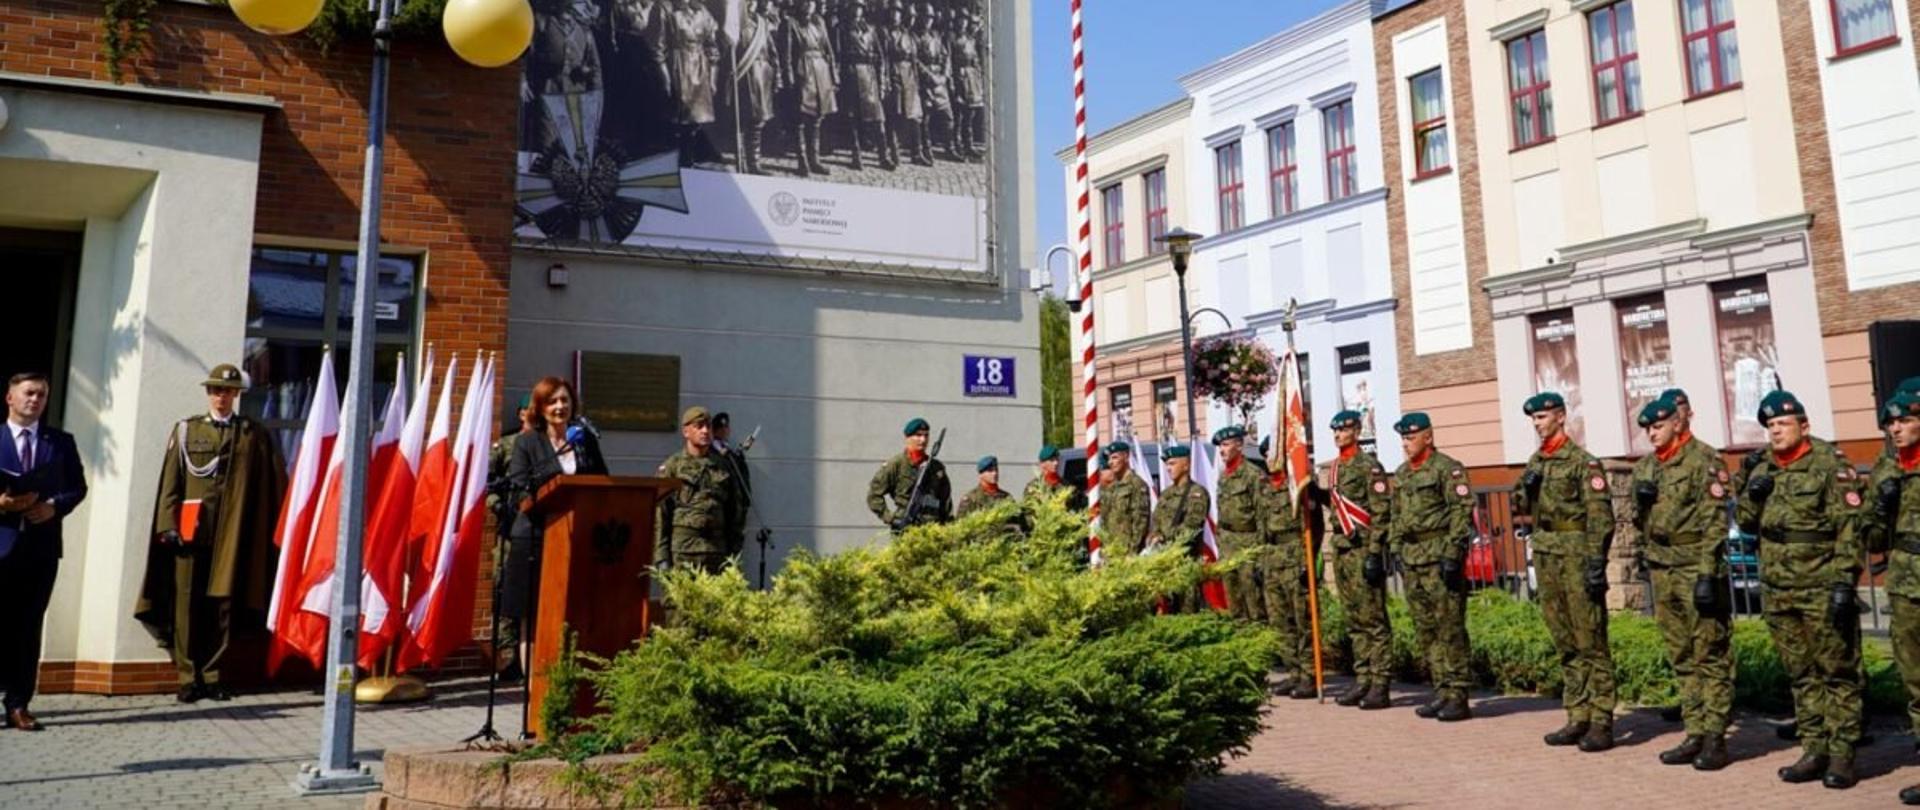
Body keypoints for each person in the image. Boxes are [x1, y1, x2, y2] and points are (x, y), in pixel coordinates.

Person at [1735, 390, 1866, 789]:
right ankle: (1814, 749)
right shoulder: (1762, 469)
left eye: (1783, 424)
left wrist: (1845, 581)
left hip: (1821, 584)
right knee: (1802, 674)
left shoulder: (1830, 463)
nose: (1775, 431)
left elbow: (1850, 528)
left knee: (1837, 672)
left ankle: (1843, 755)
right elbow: (1744, 523)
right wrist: (1752, 499)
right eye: (1770, 426)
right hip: (1778, 588)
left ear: (1803, 426)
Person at [136, 364, 287, 703]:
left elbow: (266, 485)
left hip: (232, 535)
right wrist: (167, 526)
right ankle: (188, 677)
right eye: (217, 390)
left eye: (229, 391)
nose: (222, 396)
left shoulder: (252, 434)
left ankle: (214, 674)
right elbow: (171, 484)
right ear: (209, 394)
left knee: (222, 606)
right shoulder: (188, 431)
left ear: (237, 395)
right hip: (192, 534)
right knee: (186, 605)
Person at [1630, 396, 1733, 770]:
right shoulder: (1645, 467)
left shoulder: (1703, 459)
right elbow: (1638, 521)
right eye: (1647, 429)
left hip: (1694, 566)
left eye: (1657, 426)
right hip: (1663, 567)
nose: (1651, 434)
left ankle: (1716, 737)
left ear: (1677, 422)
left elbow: (1715, 521)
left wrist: (1708, 572)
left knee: (1710, 652)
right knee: (1682, 655)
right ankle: (1695, 731)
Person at [1512, 392, 1617, 752]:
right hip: (1547, 553)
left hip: (1575, 554)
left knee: (1591, 641)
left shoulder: (1582, 463)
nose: (1538, 424)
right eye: (1534, 419)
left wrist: (1594, 562)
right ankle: (1578, 714)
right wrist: (1525, 487)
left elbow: (1601, 517)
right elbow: (1519, 505)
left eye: (1543, 417)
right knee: (1565, 642)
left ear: (1560, 417)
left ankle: (1602, 719)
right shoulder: (1536, 462)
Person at [0, 373, 86, 731]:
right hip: (1, 544)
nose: (35, 400)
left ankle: (19, 703)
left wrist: (53, 506)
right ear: (10, 397)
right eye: (28, 393)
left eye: (42, 395)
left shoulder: (60, 442)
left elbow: (77, 487)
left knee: (28, 625)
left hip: (40, 549)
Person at [503, 377, 609, 664]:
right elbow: (520, 491)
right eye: (553, 401)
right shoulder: (527, 443)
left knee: (573, 612)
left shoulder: (584, 441)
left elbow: (602, 481)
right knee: (534, 617)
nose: (560, 406)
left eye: (565, 400)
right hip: (535, 539)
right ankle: (532, 690)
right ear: (541, 407)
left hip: (578, 537)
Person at [1388, 412, 1474, 722]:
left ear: (1429, 437)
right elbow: (1395, 516)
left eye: (1411, 437)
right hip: (1413, 558)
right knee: (1426, 629)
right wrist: (1396, 548)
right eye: (1403, 438)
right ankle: (1442, 690)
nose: (1406, 443)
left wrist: (1454, 552)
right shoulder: (1401, 474)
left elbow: (1462, 512)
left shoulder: (1447, 469)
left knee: (1449, 626)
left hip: (1439, 556)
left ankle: (1459, 695)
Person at [1311, 409, 1393, 710]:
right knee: (1354, 620)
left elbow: (1380, 512)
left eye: (1343, 430)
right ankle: (1362, 680)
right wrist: (1314, 493)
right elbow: (1335, 503)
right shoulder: (1335, 468)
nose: (1337, 435)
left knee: (1373, 621)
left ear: (1357, 432)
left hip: (1362, 549)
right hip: (1343, 550)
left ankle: (1380, 684)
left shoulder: (1368, 466)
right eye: (1335, 430)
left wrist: (1374, 553)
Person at [1868, 392, 1920, 804]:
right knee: (1915, 681)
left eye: (1902, 421)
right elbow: (1872, 537)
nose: (1895, 429)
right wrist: (1881, 509)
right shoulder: (1887, 467)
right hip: (1904, 583)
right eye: (1890, 424)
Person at [655, 406, 738, 575]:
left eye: (708, 426)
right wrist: (661, 556)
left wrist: (733, 552)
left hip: (716, 552)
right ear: (686, 432)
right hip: (684, 551)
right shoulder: (673, 466)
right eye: (699, 426)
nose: (705, 431)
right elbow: (660, 513)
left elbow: (734, 511)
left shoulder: (723, 466)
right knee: (680, 601)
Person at [1262, 438, 1314, 699]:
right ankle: (1293, 672)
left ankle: (1308, 674)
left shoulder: (1300, 483)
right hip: (1273, 556)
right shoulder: (1266, 487)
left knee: (1301, 618)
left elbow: (1313, 526)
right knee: (1280, 620)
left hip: (1295, 554)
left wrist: (1309, 559)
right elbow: (1263, 527)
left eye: (1273, 453)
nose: (1269, 459)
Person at [487, 395, 533, 682]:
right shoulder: (505, 446)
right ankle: (507, 659)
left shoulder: (547, 447)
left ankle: (528, 655)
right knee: (504, 592)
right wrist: (497, 505)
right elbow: (487, 481)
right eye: (530, 410)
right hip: (509, 530)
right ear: (521, 413)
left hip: (534, 530)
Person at [1213, 426, 1267, 623]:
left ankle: (1260, 644)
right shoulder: (1223, 477)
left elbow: (1262, 516)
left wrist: (1260, 555)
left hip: (1248, 542)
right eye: (1220, 446)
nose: (1221, 450)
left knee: (1253, 601)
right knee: (1233, 601)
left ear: (1239, 446)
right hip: (1228, 544)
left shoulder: (1253, 475)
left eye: (1226, 444)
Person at [1149, 444, 1210, 610]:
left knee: (1188, 611)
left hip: (1186, 562)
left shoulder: (1197, 493)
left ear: (1186, 465)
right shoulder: (1166, 494)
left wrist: (1165, 537)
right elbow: (1156, 520)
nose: (1168, 468)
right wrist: (1155, 535)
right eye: (1167, 464)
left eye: (1173, 463)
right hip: (1166, 564)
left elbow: (1192, 527)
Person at [781, 0, 836, 176]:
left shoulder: (819, 21)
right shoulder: (790, 23)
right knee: (800, 119)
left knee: (818, 118)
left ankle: (815, 159)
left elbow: (829, 49)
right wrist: (789, 79)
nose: (810, 5)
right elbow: (786, 56)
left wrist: (833, 74)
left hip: (821, 71)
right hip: (802, 74)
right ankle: (802, 161)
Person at [663, 0, 720, 166]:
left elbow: (712, 46)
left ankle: (690, 161)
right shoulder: (666, 10)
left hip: (700, 68)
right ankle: (679, 162)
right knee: (680, 121)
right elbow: (657, 49)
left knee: (696, 121)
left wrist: (712, 78)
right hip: (679, 67)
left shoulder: (703, 12)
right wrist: (666, 80)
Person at [867, 417, 951, 529]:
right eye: (918, 435)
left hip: (933, 527)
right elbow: (874, 495)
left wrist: (948, 527)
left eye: (926, 435)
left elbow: (945, 501)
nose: (923, 440)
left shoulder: (936, 467)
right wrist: (891, 519)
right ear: (908, 438)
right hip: (906, 527)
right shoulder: (896, 464)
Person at [838, 0, 891, 171]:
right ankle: (856, 156)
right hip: (851, 77)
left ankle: (883, 156)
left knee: (878, 118)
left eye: (860, 7)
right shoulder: (842, 29)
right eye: (854, 6)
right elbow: (838, 56)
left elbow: (881, 58)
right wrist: (838, 80)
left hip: (870, 77)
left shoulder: (871, 29)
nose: (857, 10)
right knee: (853, 118)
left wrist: (882, 82)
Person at [734, 0, 780, 173]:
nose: (752, 3)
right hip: (746, 76)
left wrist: (778, 76)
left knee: (758, 121)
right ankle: (742, 162)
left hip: (763, 76)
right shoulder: (737, 24)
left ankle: (754, 163)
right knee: (744, 120)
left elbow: (772, 52)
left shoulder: (762, 24)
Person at [881, 2, 925, 167]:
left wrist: (917, 81)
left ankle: (917, 153)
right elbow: (884, 58)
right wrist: (885, 79)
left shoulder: (908, 34)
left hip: (910, 78)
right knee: (894, 115)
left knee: (914, 116)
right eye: (893, 12)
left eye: (898, 12)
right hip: (895, 75)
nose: (895, 15)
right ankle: (894, 151)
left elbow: (913, 59)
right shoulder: (885, 33)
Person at [912, 3, 953, 164]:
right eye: (925, 17)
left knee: (948, 116)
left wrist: (944, 76)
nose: (928, 21)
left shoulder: (937, 36)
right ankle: (925, 150)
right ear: (920, 17)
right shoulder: (914, 36)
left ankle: (949, 147)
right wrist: (929, 76)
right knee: (925, 119)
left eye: (930, 18)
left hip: (940, 83)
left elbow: (946, 57)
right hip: (925, 84)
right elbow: (915, 60)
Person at [1097, 440, 1151, 556]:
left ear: (1126, 457)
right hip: (1110, 551)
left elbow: (1140, 522)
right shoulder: (1112, 488)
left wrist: (1132, 552)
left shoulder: (1136, 485)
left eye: (1115, 457)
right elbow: (1104, 520)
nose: (1111, 462)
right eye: (1109, 459)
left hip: (1127, 553)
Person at [712, 412, 752, 559]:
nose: (724, 431)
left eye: (726, 427)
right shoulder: (711, 453)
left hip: (736, 511)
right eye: (721, 428)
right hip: (721, 511)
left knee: (734, 554)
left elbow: (743, 476)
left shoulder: (732, 452)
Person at [949, 6, 986, 161]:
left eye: (966, 20)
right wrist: (951, 80)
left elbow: (976, 59)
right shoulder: (952, 38)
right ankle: (956, 144)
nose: (963, 23)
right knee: (959, 116)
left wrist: (978, 77)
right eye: (961, 20)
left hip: (972, 79)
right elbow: (949, 61)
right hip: (959, 77)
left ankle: (968, 144)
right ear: (957, 21)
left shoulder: (971, 39)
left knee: (970, 114)